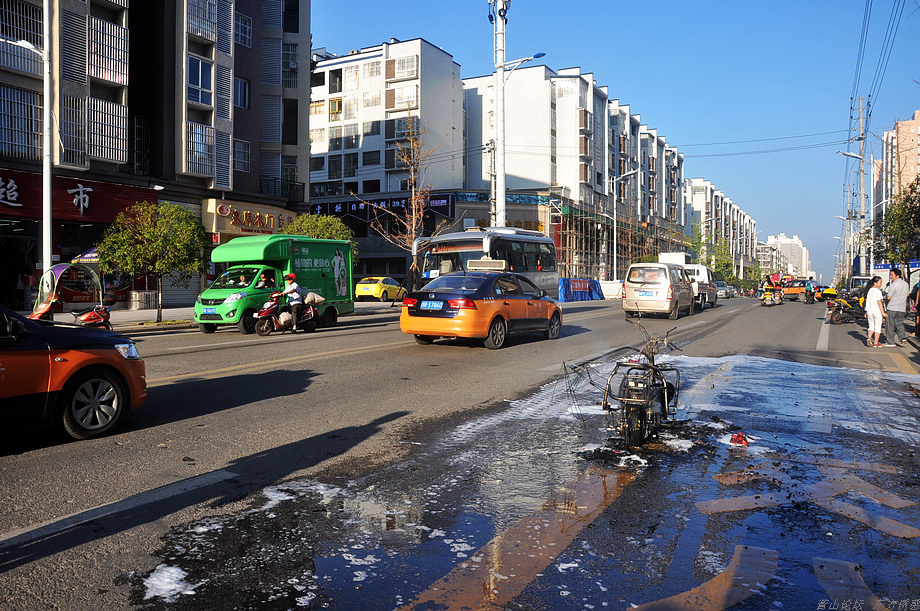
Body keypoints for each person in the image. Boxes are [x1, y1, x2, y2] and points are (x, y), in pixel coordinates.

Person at [884, 268, 909, 347]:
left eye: (892, 275)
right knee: (900, 324)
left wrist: (885, 298)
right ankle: (902, 338)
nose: (890, 276)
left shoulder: (894, 284)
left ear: (897, 276)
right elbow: (907, 294)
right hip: (902, 308)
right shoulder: (905, 284)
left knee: (890, 325)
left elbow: (889, 297)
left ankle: (890, 342)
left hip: (892, 307)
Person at [865, 276, 886, 347]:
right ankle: (876, 343)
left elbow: (868, 302)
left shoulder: (869, 291)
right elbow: (879, 302)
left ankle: (869, 338)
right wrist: (883, 313)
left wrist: (866, 311)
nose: (881, 284)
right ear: (875, 283)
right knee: (878, 327)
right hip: (876, 311)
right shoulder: (878, 291)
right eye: (880, 282)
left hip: (869, 310)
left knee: (871, 326)